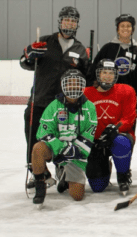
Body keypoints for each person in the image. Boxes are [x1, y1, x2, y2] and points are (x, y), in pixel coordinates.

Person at [21, 6, 90, 190]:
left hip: (65, 104)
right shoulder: (44, 41)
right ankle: (38, 171)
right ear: (60, 22)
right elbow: (25, 63)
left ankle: (63, 168)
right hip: (40, 100)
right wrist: (28, 56)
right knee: (34, 136)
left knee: (64, 137)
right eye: (66, 20)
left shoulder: (80, 49)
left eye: (73, 21)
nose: (70, 24)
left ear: (77, 24)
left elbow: (86, 77)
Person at [30, 69, 97, 206]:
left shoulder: (90, 107)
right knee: (38, 148)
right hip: (57, 149)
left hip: (75, 152)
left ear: (82, 85)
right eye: (70, 83)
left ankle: (64, 174)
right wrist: (61, 148)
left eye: (76, 83)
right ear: (63, 85)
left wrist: (74, 151)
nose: (73, 86)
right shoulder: (54, 106)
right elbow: (43, 132)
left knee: (77, 196)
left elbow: (89, 133)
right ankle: (40, 187)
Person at [83, 59, 137, 195]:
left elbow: (129, 118)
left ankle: (123, 176)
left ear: (116, 75)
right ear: (98, 74)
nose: (108, 76)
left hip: (118, 136)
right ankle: (105, 165)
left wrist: (115, 129)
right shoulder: (86, 93)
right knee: (97, 187)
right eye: (104, 72)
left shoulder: (126, 90)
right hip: (96, 142)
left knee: (121, 142)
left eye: (111, 73)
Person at [88, 14, 137, 117]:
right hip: (107, 98)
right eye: (122, 26)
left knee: (127, 125)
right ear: (117, 29)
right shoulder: (107, 49)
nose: (125, 29)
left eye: (128, 26)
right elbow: (93, 71)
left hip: (129, 99)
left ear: (133, 29)